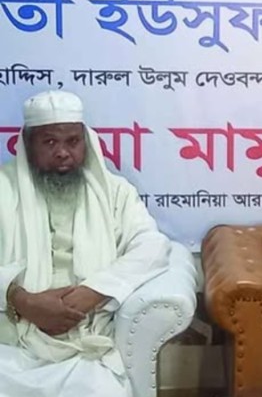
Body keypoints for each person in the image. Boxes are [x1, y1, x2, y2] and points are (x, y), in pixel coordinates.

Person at [0, 90, 171, 397]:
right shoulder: (3, 189)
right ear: (27, 144)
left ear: (86, 142)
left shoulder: (115, 192)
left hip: (85, 341)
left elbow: (151, 246)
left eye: (72, 141)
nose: (63, 152)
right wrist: (21, 300)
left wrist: (94, 291)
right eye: (49, 142)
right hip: (12, 339)